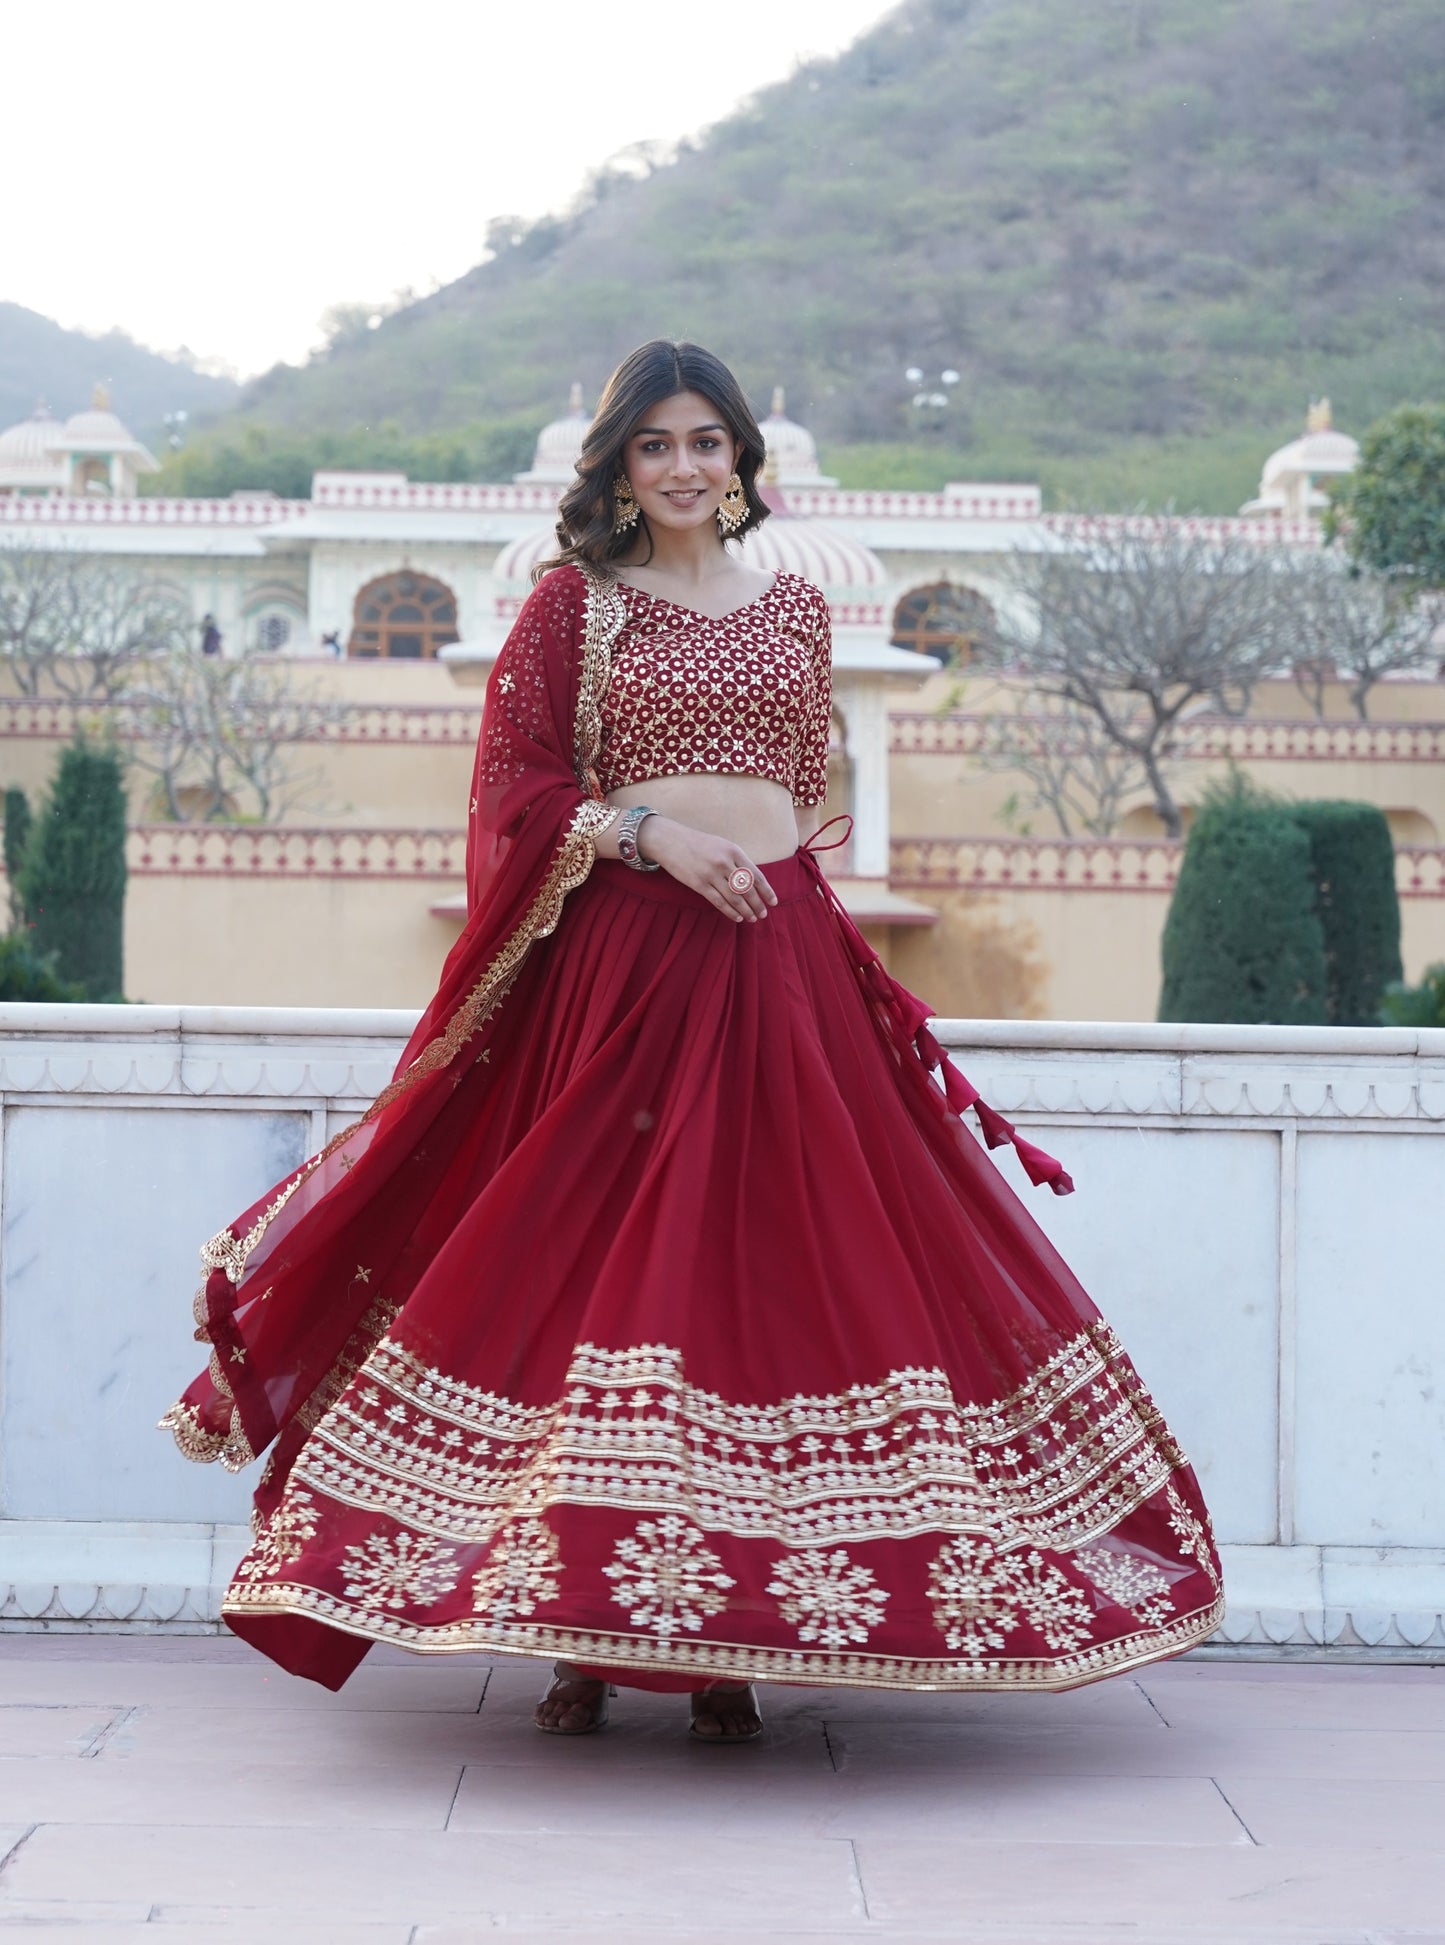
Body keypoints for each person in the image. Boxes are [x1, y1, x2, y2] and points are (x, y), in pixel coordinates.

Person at [161, 340, 1223, 1742]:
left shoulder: (793, 609)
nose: (680, 466)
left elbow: (791, 791)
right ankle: (579, 1632)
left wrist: (802, 928)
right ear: (615, 464)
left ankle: (732, 1638)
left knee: (766, 1272)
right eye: (653, 444)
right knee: (610, 1272)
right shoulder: (572, 606)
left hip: (779, 964)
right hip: (629, 968)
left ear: (740, 460)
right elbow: (518, 788)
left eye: (704, 442)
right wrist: (651, 837)